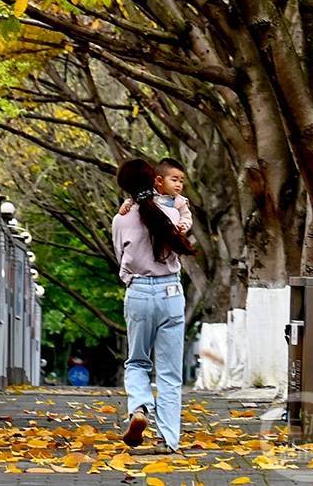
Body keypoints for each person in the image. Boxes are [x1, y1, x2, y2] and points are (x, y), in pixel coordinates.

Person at [112, 158, 194, 452]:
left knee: (137, 362)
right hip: (171, 293)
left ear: (125, 188)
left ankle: (139, 409)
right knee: (170, 373)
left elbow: (120, 256)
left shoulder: (121, 219)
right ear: (155, 182)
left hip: (139, 294)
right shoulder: (172, 213)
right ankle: (168, 441)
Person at [118, 157, 193, 234]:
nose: (178, 185)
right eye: (174, 180)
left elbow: (186, 217)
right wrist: (126, 205)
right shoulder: (150, 193)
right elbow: (135, 199)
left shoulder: (180, 201)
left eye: (181, 181)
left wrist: (183, 225)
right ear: (159, 181)